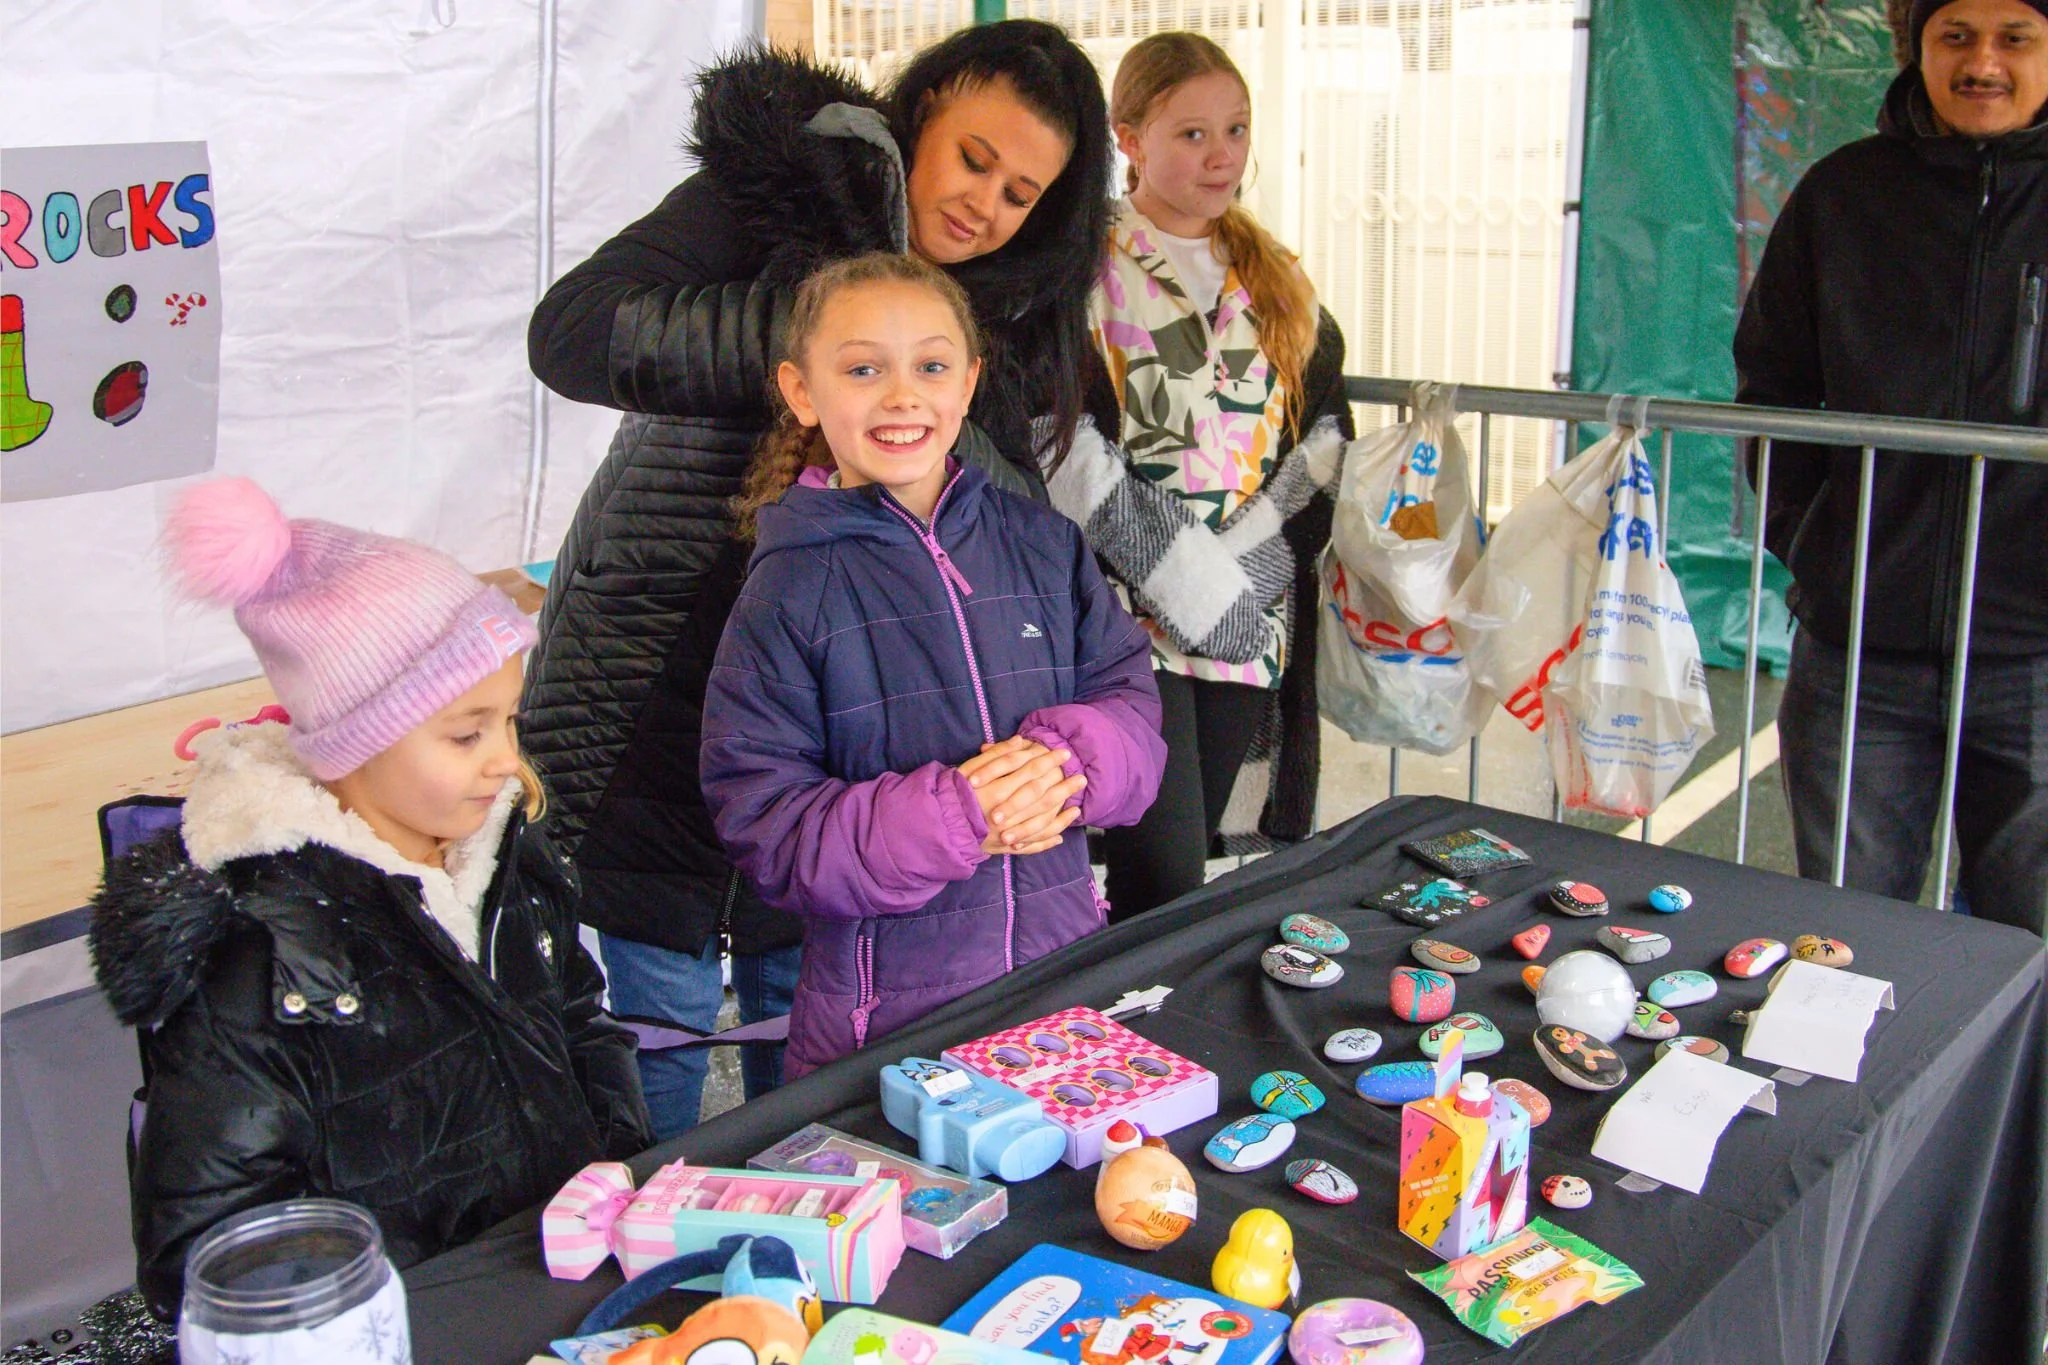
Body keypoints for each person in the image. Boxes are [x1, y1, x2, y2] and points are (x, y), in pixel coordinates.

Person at [520, 24, 1115, 1138]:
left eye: (1020, 194)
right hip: (657, 682)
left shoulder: (994, 319)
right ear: (921, 111)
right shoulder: (786, 182)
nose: (982, 205)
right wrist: (831, 328)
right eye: (974, 158)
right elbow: (573, 331)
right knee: (659, 1035)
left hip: (852, 739)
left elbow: (1010, 539)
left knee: (811, 1042)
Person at [88, 478, 651, 1318]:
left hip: (571, 1290)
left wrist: (621, 1164)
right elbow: (206, 1247)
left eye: (509, 720)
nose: (506, 759)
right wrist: (396, 1306)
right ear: (358, 740)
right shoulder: (263, 951)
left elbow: (580, 1020)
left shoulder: (504, 855)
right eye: (466, 732)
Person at [700, 253, 1167, 1077]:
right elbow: (767, 824)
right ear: (802, 391)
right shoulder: (788, 589)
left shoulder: (1043, 542)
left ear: (969, 382)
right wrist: (959, 818)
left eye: (931, 366)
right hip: (884, 1038)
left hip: (1061, 1004)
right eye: (863, 369)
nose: (902, 395)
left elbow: (1132, 705)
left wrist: (1066, 767)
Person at [1734, 0, 2048, 931]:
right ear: (1919, 49)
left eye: (2015, 38)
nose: (1982, 62)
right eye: (1956, 36)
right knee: (1848, 934)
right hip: (1860, 650)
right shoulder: (1843, 195)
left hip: (2036, 659)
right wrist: (1820, 544)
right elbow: (1774, 387)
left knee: (2024, 943)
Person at [1064, 32, 1354, 921]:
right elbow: (1058, 442)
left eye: (1236, 129)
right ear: (1129, 138)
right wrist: (1172, 576)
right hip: (1124, 615)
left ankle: (1144, 1002)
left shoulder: (1279, 279)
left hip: (1242, 617)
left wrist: (1239, 581)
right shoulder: (1082, 267)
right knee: (1163, 871)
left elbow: (1322, 441)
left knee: (1185, 871)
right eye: (1191, 134)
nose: (1221, 154)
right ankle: (1125, 1007)